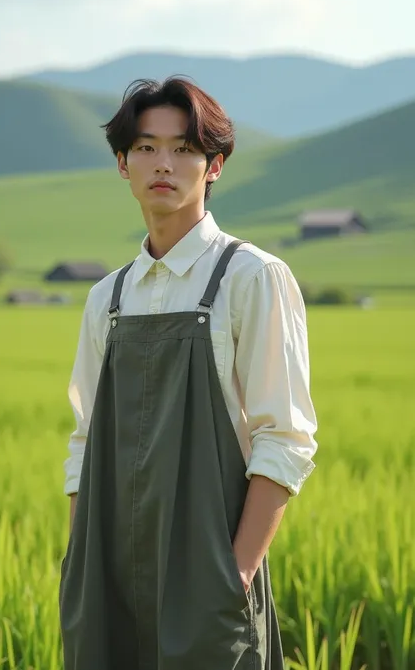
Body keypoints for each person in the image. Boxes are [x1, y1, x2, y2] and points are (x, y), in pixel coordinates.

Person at [59, 76, 318, 670]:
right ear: (123, 164)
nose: (163, 164)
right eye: (146, 148)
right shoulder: (108, 297)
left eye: (184, 149)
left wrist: (235, 575)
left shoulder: (251, 277)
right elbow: (84, 442)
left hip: (210, 578)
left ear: (215, 165)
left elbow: (287, 438)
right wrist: (80, 566)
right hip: (105, 579)